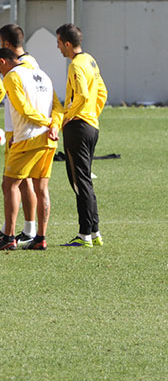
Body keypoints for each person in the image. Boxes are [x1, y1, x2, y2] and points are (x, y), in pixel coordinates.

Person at [0, 48, 63, 251]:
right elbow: (58, 106)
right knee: (41, 188)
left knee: (10, 185)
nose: (1, 75)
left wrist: (46, 122)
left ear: (3, 62)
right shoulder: (43, 75)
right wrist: (54, 125)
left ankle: (9, 236)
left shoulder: (12, 77)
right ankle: (41, 237)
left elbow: (22, 107)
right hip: (49, 139)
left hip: (27, 138)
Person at [0, 24, 42, 247]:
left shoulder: (23, 67)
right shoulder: (30, 63)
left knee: (19, 182)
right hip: (18, 129)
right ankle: (14, 229)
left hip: (22, 131)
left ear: (5, 43)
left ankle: (26, 229)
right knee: (17, 182)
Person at [56, 24, 108, 248]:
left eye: (58, 42)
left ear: (67, 44)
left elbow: (83, 96)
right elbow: (102, 92)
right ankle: (94, 231)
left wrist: (68, 116)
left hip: (78, 127)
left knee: (79, 182)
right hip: (91, 126)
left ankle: (84, 234)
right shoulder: (90, 60)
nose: (57, 47)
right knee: (84, 179)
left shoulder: (76, 65)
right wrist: (91, 115)